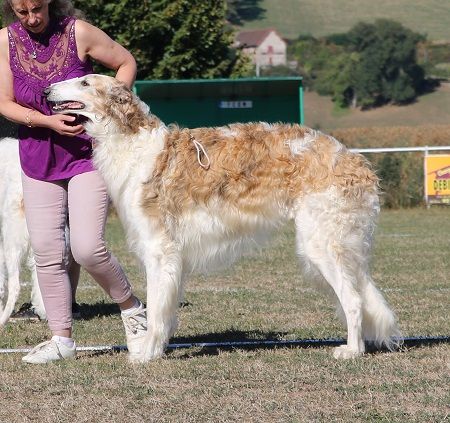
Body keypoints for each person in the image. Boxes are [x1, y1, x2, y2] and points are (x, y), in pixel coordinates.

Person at [0, 0, 146, 363]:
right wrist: (46, 122)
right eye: (22, 12)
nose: (32, 18)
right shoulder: (4, 41)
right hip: (37, 155)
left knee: (86, 247)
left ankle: (133, 309)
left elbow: (126, 62)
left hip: (87, 155)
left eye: (37, 9)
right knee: (47, 251)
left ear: (48, 2)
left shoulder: (77, 31)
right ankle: (61, 339)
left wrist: (111, 102)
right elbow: (3, 102)